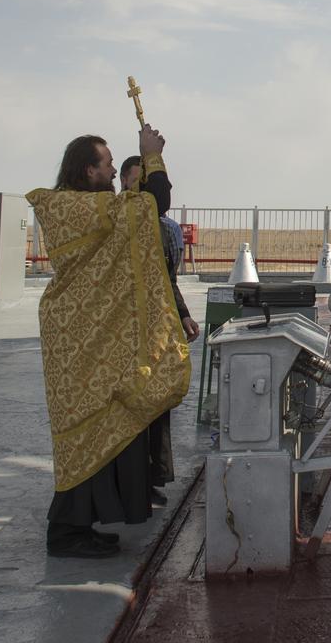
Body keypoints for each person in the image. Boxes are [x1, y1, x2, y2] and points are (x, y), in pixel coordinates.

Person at [28, 127, 190, 558]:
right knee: (83, 433)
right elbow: (150, 206)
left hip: (89, 336)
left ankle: (79, 525)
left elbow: (141, 211)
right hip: (77, 338)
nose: (114, 172)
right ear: (89, 169)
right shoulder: (72, 206)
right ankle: (64, 532)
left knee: (103, 429)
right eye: (108, 164)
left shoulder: (85, 205)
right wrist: (151, 157)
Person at [119, 156, 200, 503]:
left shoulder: (164, 229)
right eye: (137, 185)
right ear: (124, 182)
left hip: (155, 333)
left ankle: (150, 477)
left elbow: (167, 279)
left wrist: (182, 315)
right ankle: (128, 485)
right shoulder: (117, 221)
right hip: (123, 337)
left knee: (156, 404)